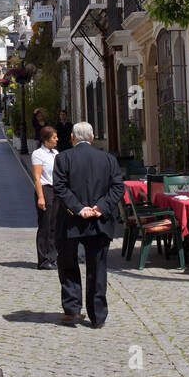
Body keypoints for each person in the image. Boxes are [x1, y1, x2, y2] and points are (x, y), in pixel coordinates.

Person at [52, 121, 124, 328]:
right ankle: (97, 316)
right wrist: (100, 207)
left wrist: (79, 208)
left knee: (68, 263)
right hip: (99, 221)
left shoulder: (63, 158)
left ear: (72, 138)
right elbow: (118, 187)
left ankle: (73, 309)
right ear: (92, 138)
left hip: (71, 220)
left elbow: (60, 187)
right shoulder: (108, 159)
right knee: (97, 267)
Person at [31, 125, 60, 270]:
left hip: (56, 190)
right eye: (54, 137)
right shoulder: (38, 154)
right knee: (45, 226)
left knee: (55, 225)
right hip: (45, 189)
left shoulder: (55, 153)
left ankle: (53, 256)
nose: (57, 140)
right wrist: (40, 197)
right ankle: (43, 259)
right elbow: (37, 178)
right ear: (46, 139)